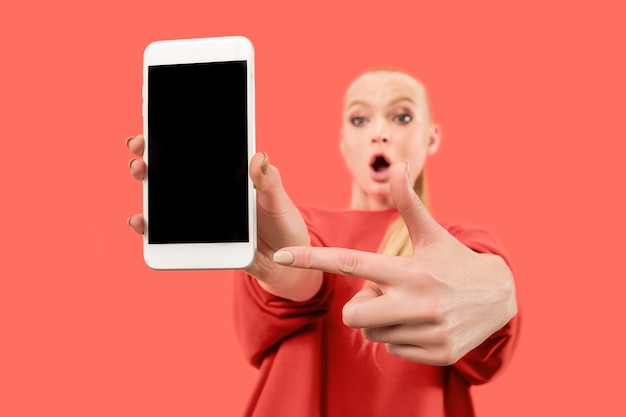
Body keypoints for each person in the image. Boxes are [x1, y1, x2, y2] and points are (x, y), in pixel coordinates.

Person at [127, 68, 519, 417]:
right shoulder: (295, 224)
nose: (379, 131)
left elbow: (489, 310)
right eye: (360, 119)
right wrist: (277, 264)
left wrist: (497, 292)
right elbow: (300, 285)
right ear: (343, 141)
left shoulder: (462, 243)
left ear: (432, 137)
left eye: (401, 116)